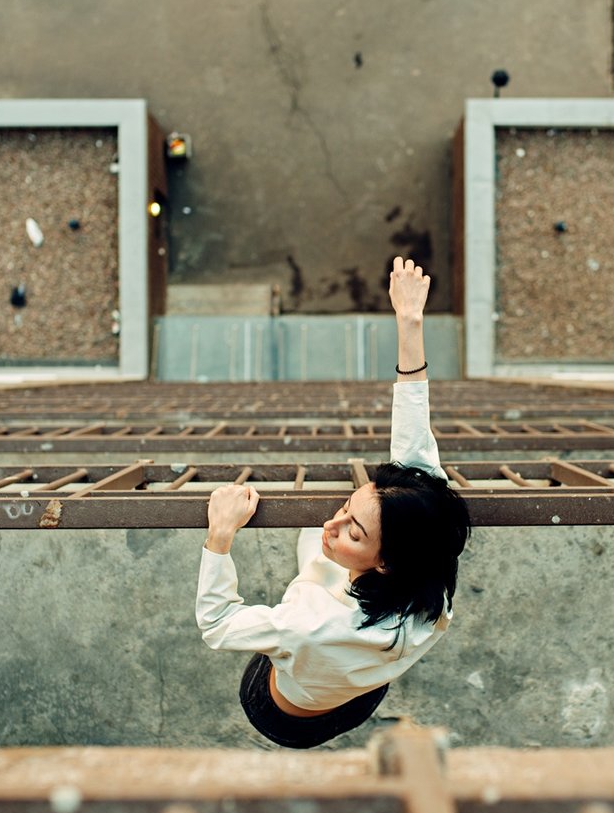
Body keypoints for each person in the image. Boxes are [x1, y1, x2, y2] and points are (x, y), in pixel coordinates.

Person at [196, 256, 470, 749]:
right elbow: (413, 441)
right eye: (347, 507)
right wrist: (409, 321)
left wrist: (220, 535)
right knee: (319, 558)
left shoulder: (306, 622)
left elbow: (217, 625)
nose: (332, 523)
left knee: (309, 577)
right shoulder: (431, 572)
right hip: (361, 694)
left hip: (281, 712)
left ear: (386, 562)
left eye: (353, 532)